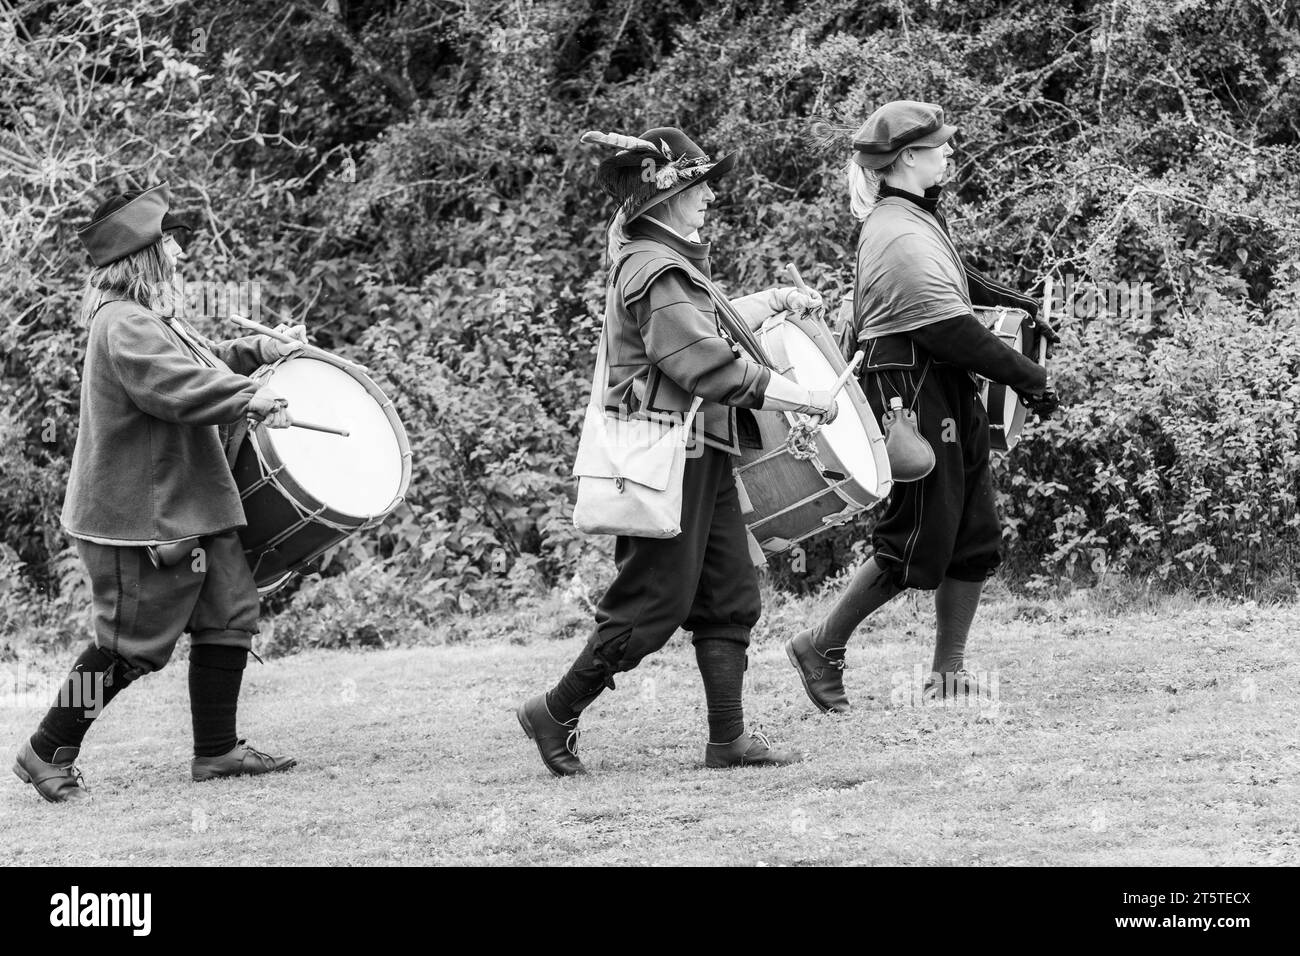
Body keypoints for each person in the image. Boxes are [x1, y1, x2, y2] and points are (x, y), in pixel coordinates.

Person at [517, 127, 839, 776]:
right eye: (699, 185)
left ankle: (729, 740)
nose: (711, 196)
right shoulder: (654, 268)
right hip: (669, 455)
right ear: (666, 198)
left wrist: (775, 300)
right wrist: (801, 399)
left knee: (728, 593)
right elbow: (704, 363)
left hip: (700, 450)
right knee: (653, 605)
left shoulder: (670, 261)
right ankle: (554, 711)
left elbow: (708, 322)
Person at [12, 183, 302, 802]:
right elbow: (174, 386)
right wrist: (251, 397)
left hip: (191, 504)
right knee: (128, 649)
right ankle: (46, 748)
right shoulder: (122, 324)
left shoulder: (152, 319)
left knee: (229, 614)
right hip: (140, 517)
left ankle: (217, 752)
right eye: (169, 242)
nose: (180, 252)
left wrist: (260, 351)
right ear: (144, 256)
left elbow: (204, 362)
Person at [784, 101, 1060, 713]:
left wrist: (1025, 306)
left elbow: (962, 288)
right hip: (910, 391)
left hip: (940, 382)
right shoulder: (896, 228)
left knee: (975, 531)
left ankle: (949, 673)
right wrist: (1030, 378)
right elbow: (950, 329)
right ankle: (820, 644)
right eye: (939, 146)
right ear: (908, 158)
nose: (949, 153)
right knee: (918, 536)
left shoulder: (915, 216)